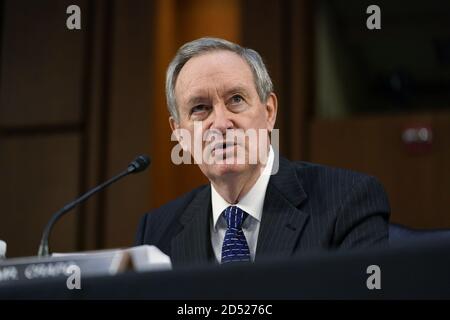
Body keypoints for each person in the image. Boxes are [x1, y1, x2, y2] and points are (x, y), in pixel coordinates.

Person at [135, 37, 390, 267]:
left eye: (236, 99)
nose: (221, 123)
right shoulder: (156, 231)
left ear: (269, 112)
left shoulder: (348, 200)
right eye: (200, 108)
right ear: (180, 134)